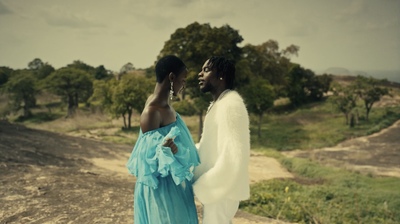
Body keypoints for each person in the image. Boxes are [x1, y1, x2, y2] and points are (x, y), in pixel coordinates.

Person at [126, 55, 200, 224]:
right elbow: (146, 160)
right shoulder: (152, 111)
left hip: (172, 184)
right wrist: (164, 150)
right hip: (159, 190)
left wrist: (171, 149)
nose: (184, 85)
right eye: (183, 80)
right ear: (172, 77)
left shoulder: (166, 107)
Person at [193, 56, 250, 224]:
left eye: (206, 70)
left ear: (221, 75)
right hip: (217, 189)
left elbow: (234, 155)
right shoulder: (219, 104)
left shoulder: (230, 105)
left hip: (221, 189)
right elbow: (209, 148)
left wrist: (207, 184)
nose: (200, 74)